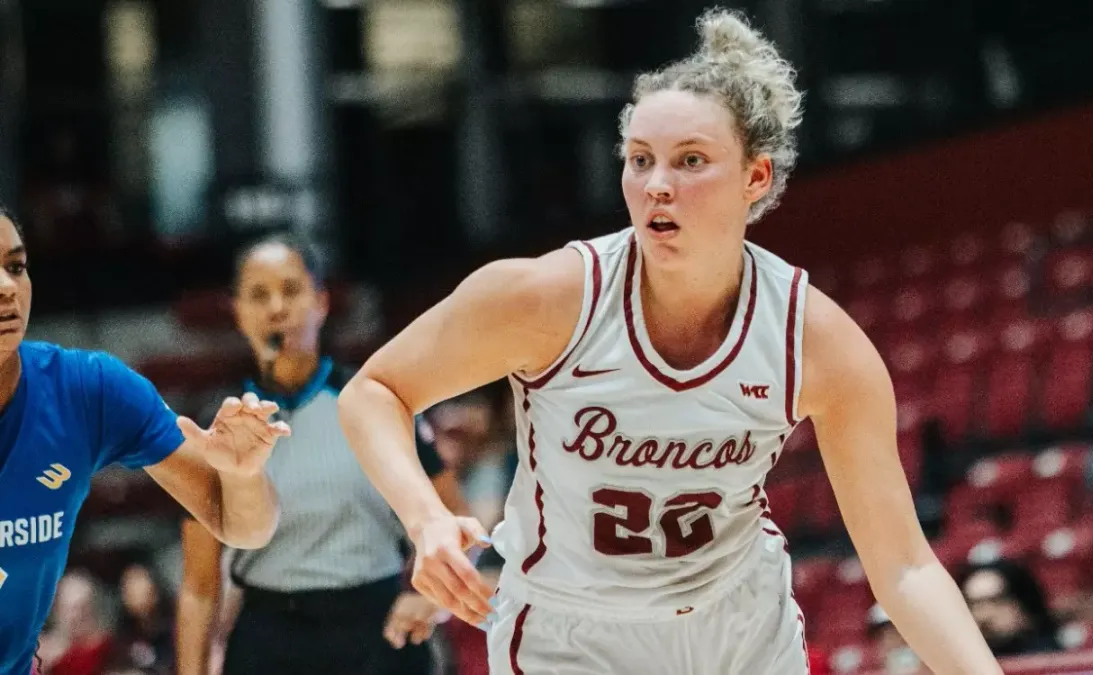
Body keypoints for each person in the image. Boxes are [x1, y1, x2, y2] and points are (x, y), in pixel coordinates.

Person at [338, 8, 1002, 674]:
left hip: (740, 630)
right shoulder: (545, 297)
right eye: (640, 160)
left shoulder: (815, 339)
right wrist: (424, 518)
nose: (657, 184)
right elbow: (373, 390)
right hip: (571, 633)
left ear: (756, 178)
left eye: (690, 161)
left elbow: (906, 564)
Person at [0, 205, 288, 675]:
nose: (7, 288)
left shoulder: (87, 389)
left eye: (16, 266)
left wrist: (241, 475)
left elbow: (244, 526)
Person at [176, 233, 463, 675]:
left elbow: (456, 520)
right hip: (268, 639)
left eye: (291, 290)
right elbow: (198, 587)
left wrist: (431, 596)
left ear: (322, 302)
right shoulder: (214, 427)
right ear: (237, 312)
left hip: (378, 630)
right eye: (258, 295)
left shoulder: (376, 402)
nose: (277, 308)